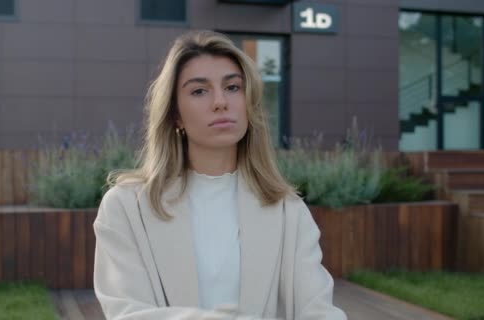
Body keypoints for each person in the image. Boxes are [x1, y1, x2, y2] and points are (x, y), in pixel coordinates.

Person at [93, 30, 347, 320]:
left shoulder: (288, 210)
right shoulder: (127, 207)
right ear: (175, 114)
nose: (220, 102)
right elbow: (128, 313)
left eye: (233, 87)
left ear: (248, 102)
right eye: (199, 91)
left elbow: (317, 311)